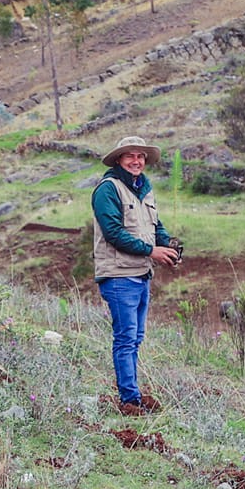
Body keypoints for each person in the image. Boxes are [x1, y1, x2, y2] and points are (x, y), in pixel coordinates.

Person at [92, 135, 179, 411]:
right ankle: (130, 400)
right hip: (119, 276)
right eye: (130, 155)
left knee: (135, 338)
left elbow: (156, 226)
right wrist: (153, 252)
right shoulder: (108, 189)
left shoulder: (145, 189)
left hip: (141, 275)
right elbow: (114, 234)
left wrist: (168, 246)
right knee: (126, 338)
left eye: (140, 156)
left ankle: (132, 394)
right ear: (119, 159)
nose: (136, 161)